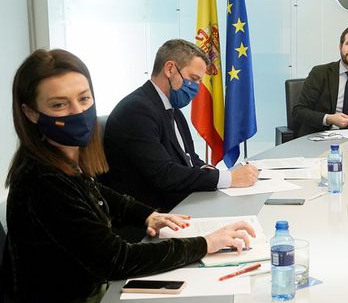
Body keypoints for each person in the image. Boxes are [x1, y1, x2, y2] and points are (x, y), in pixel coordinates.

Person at [3, 49, 256, 303]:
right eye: (59, 104)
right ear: (31, 113)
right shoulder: (43, 179)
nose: (77, 111)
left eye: (84, 98)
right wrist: (206, 243)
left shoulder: (64, 159)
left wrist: (147, 215)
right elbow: (117, 260)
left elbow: (100, 195)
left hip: (91, 288)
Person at [103, 39, 259, 213]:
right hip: (151, 217)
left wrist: (212, 172)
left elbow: (190, 159)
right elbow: (165, 174)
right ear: (170, 69)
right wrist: (228, 178)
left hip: (178, 205)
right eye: (193, 79)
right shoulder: (136, 110)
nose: (197, 88)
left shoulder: (172, 108)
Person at [293, 25, 348, 138]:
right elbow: (298, 112)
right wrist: (329, 119)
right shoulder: (319, 73)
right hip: (320, 137)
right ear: (340, 46)